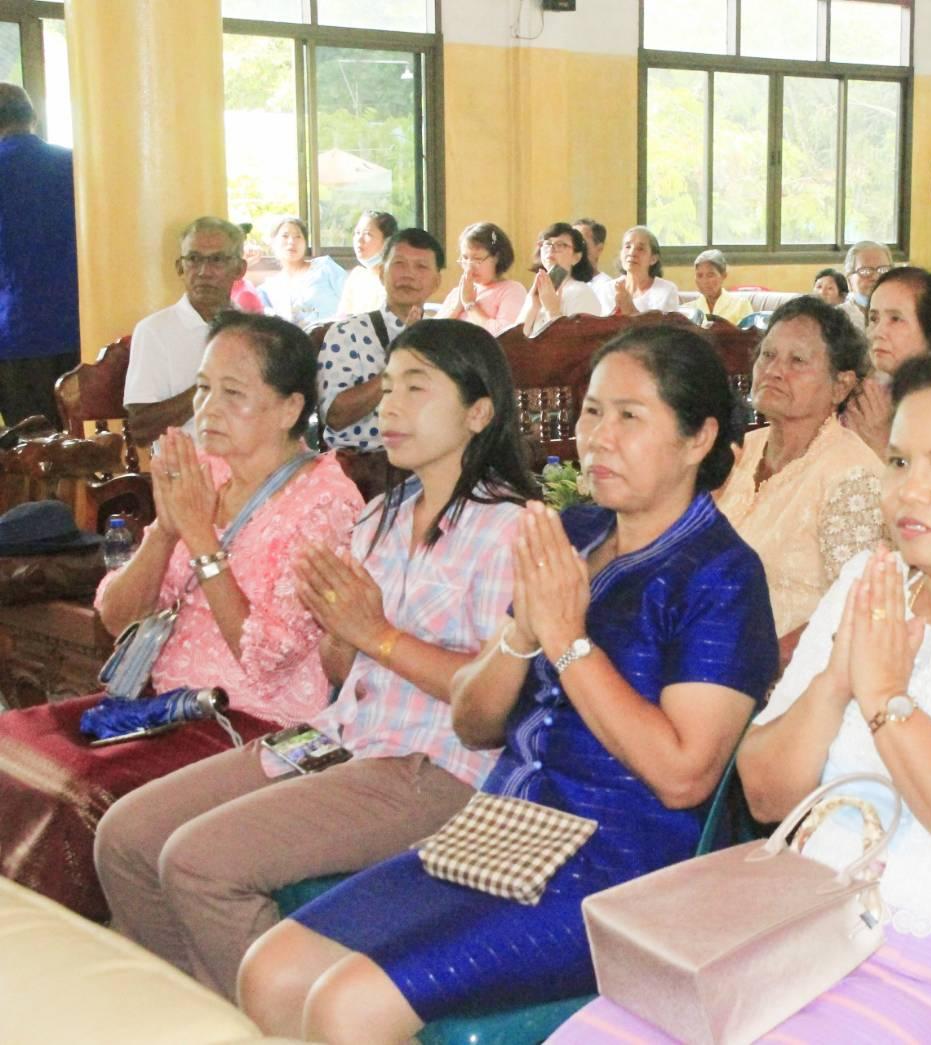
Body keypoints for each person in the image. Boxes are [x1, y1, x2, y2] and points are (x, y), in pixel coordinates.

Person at [555, 345, 931, 1043]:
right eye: (899, 461)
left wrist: (888, 699)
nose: (909, 491)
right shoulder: (869, 583)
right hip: (795, 936)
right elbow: (767, 796)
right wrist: (835, 679)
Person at [235, 326, 778, 1044]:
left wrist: (569, 641)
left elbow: (685, 776)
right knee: (269, 971)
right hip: (500, 829)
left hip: (616, 868)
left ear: (698, 437)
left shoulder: (720, 575)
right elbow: (475, 721)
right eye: (592, 412)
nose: (598, 437)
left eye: (629, 416)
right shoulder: (574, 532)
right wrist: (522, 631)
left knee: (347, 1006)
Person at [94, 319, 538, 998]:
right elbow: (341, 674)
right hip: (337, 737)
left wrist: (375, 633)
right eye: (387, 389)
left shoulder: (510, 529)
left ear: (479, 412)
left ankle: (275, 1020)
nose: (389, 408)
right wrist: (341, 634)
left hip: (434, 763)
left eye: (415, 389)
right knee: (125, 837)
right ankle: (198, 1008)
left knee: (198, 862)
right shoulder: (383, 516)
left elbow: (495, 704)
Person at [0, 312, 362, 919]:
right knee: (12, 744)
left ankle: (86, 953)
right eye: (202, 388)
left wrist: (200, 538)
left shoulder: (325, 499)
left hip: (253, 720)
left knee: (78, 793)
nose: (208, 409)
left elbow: (267, 660)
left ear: (290, 408)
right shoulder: (207, 472)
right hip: (163, 705)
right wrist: (167, 531)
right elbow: (115, 614)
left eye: (233, 393)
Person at [716, 295, 883, 635]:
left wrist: (765, 658)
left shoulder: (853, 475)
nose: (774, 371)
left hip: (792, 662)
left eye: (797, 361)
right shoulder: (743, 451)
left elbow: (858, 612)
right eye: (768, 355)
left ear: (841, 386)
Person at [317, 228, 446, 451]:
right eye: (399, 264)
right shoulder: (348, 333)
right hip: (363, 462)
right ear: (381, 274)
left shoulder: (445, 339)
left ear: (436, 282)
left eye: (421, 266)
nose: (408, 275)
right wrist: (401, 359)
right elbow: (335, 417)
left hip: (430, 460)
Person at [124, 217, 249, 446]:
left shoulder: (254, 331)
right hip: (187, 465)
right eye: (193, 259)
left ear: (240, 269)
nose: (204, 272)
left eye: (217, 260)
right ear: (180, 268)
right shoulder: (154, 331)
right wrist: (210, 386)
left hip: (253, 462)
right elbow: (141, 430)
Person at [0, 83, 78, 429]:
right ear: (33, 117)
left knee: (29, 446)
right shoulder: (74, 165)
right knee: (81, 441)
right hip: (80, 327)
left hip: (15, 332)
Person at [843, 266, 931, 455]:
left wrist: (882, 444)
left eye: (895, 319)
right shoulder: (871, 394)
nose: (877, 332)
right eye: (874, 319)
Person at [436, 222, 527, 334]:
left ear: (497, 257)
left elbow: (504, 336)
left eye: (477, 259)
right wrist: (456, 308)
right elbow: (433, 334)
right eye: (465, 258)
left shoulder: (512, 290)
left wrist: (470, 304)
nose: (469, 266)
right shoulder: (459, 292)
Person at [518, 222, 607, 336]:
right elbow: (515, 340)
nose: (551, 249)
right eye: (547, 244)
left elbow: (578, 342)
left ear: (576, 257)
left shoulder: (581, 292)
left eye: (560, 245)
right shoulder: (537, 292)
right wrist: (534, 305)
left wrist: (553, 311)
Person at [257, 216, 345, 328]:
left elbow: (353, 297)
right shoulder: (269, 288)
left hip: (337, 332)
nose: (291, 241)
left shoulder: (324, 267)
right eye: (285, 236)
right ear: (273, 242)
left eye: (298, 236)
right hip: (298, 338)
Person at [337, 211, 398, 317]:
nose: (359, 240)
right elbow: (342, 317)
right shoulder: (357, 276)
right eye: (357, 233)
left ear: (388, 242)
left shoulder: (397, 279)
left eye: (368, 234)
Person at [611, 225, 682, 315]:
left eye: (640, 249)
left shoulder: (666, 291)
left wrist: (631, 310)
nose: (632, 253)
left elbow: (667, 324)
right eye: (628, 247)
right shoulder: (607, 290)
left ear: (653, 259)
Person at [690, 248, 753, 326]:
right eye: (699, 275)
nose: (705, 281)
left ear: (723, 275)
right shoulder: (688, 310)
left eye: (710, 275)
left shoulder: (741, 305)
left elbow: (750, 333)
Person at [838, 240, 892, 330]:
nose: (876, 277)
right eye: (865, 271)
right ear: (849, 280)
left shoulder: (905, 314)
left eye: (883, 270)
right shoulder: (837, 319)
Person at [573, 216, 615, 313]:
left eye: (581, 243)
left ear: (599, 249)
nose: (575, 248)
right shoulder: (559, 283)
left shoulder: (606, 287)